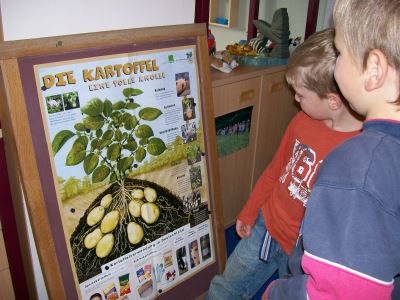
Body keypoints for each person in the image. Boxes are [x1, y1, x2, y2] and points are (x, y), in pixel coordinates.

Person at [207, 28, 363, 300]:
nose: (295, 99)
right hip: (267, 226)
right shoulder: (302, 121)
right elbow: (275, 169)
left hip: (304, 254)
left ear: (333, 100)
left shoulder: (361, 148)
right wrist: (249, 210)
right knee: (224, 288)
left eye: (301, 95)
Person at [263, 0, 400, 299]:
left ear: (373, 69)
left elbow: (332, 292)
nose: (335, 63)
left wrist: (274, 294)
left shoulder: (356, 169)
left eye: (340, 52)